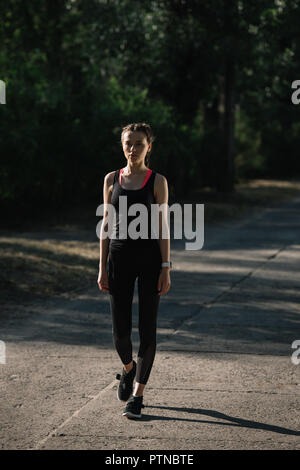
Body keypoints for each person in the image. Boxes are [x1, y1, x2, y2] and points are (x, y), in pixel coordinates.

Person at [97, 122, 171, 419]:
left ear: (148, 147)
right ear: (122, 145)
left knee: (147, 331)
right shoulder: (111, 179)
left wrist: (166, 266)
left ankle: (137, 396)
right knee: (120, 333)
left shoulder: (157, 181)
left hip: (151, 260)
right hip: (119, 258)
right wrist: (102, 267)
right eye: (128, 143)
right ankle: (128, 369)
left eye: (139, 144)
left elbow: (163, 226)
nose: (133, 149)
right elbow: (105, 226)